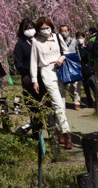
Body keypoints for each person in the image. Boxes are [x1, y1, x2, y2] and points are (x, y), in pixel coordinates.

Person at [30, 16, 73, 149]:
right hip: (46, 72)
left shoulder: (58, 37)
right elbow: (33, 62)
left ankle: (59, 132)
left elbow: (67, 52)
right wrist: (34, 80)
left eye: (47, 28)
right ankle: (67, 135)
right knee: (57, 103)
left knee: (62, 104)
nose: (45, 31)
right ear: (38, 30)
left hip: (60, 70)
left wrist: (61, 58)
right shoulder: (36, 42)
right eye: (42, 29)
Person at [13, 18, 42, 138]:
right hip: (28, 78)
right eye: (27, 29)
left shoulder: (41, 41)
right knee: (33, 105)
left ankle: (52, 133)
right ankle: (36, 132)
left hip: (43, 75)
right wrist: (24, 74)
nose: (30, 30)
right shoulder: (21, 44)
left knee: (45, 103)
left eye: (31, 28)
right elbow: (18, 62)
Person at [58, 24, 82, 110]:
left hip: (74, 64)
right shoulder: (58, 42)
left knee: (76, 84)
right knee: (68, 86)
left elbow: (78, 52)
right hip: (64, 65)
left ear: (68, 31)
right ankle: (73, 99)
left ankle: (77, 103)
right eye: (62, 31)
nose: (64, 33)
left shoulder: (74, 41)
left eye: (65, 31)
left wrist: (80, 62)